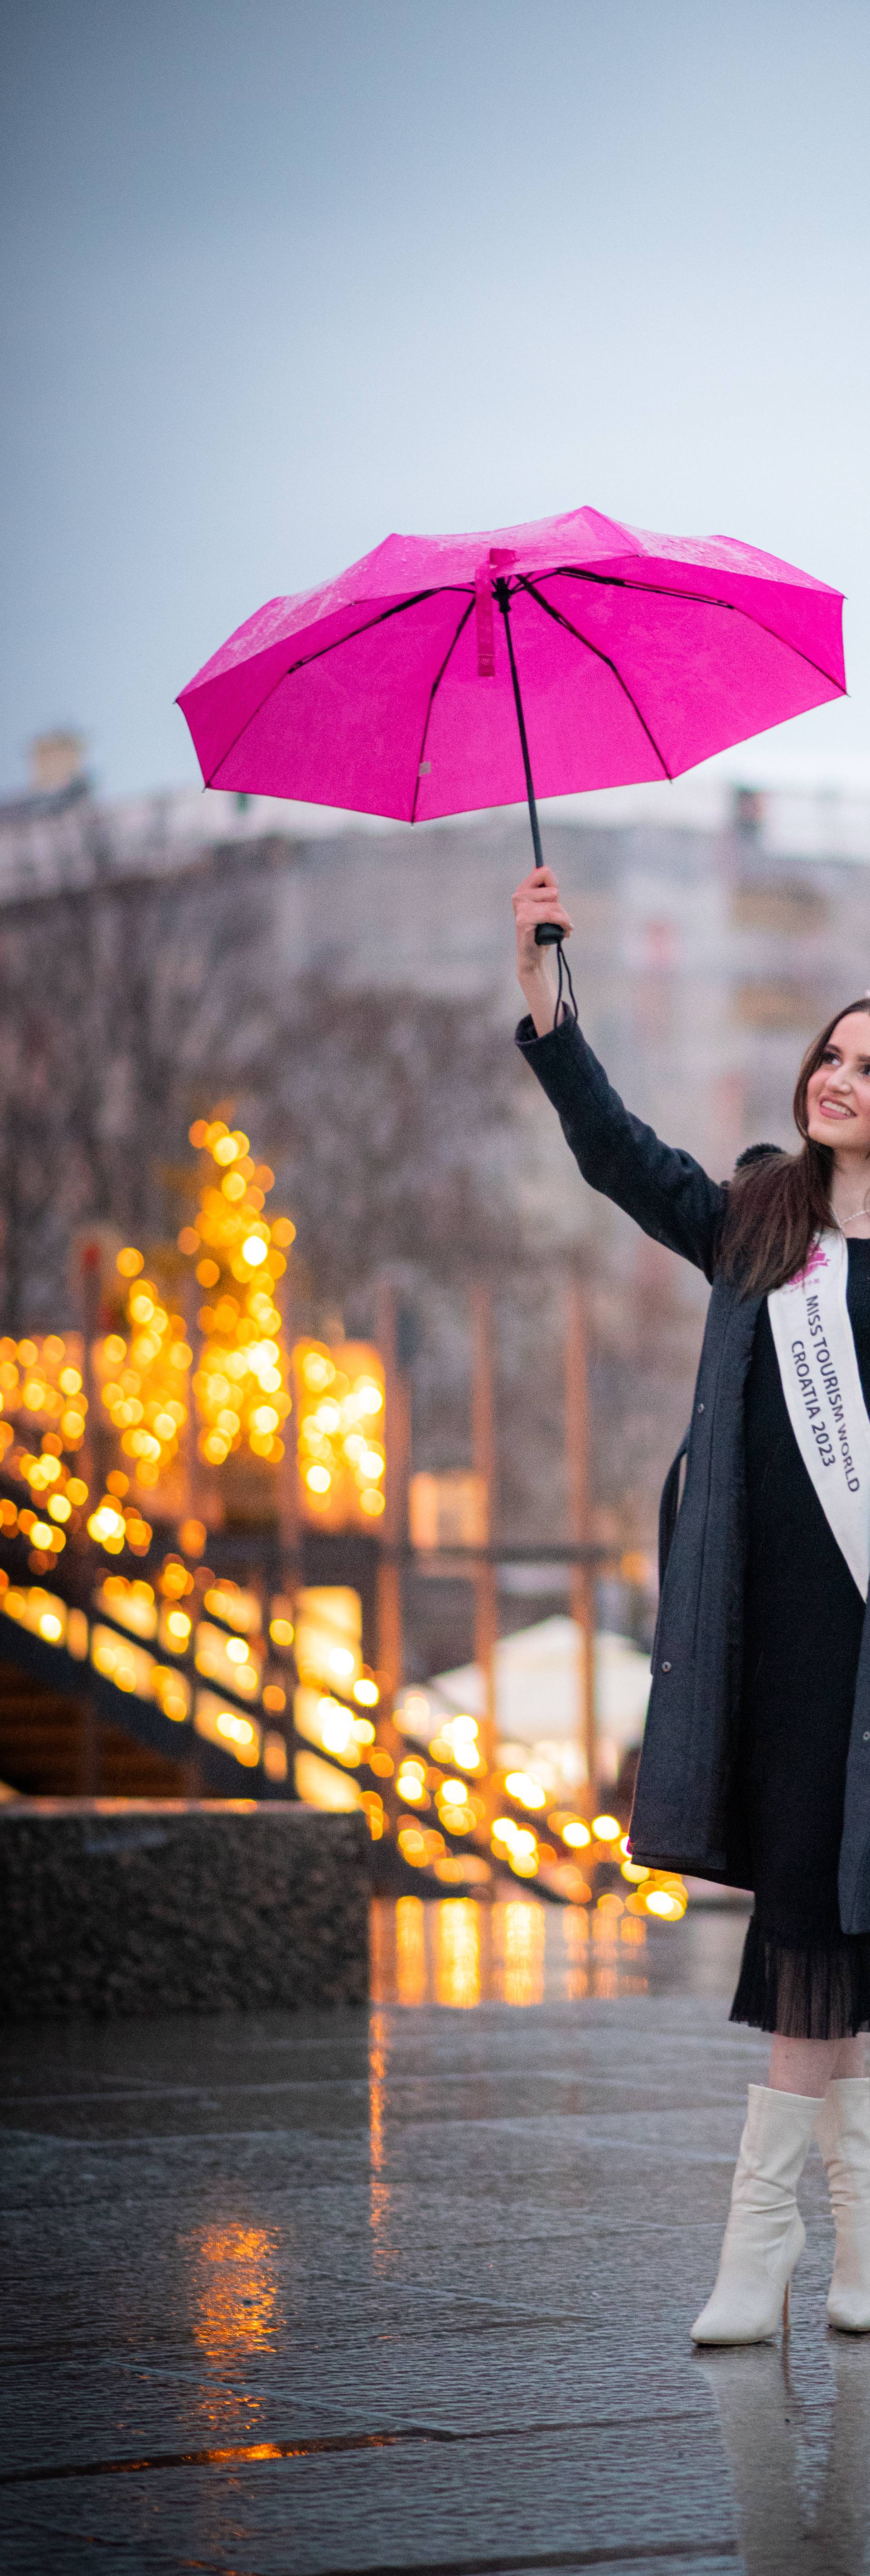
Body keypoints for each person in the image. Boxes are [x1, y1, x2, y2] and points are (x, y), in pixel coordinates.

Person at [513, 860, 870, 2346]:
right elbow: (618, 1156)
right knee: (806, 1935)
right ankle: (765, 2258)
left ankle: (846, 2265)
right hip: (781, 1657)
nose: (842, 1078)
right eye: (835, 1055)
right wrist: (547, 998)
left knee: (857, 1948)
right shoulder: (756, 1222)